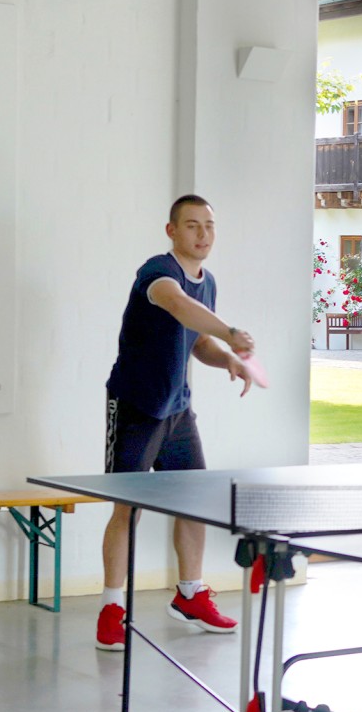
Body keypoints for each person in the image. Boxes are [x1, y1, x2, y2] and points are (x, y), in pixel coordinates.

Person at [96, 195, 256, 650]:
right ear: (172, 231)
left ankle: (190, 594)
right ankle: (111, 607)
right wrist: (231, 334)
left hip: (178, 411)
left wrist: (226, 357)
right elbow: (179, 307)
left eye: (209, 226)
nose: (202, 235)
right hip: (135, 407)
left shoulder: (209, 283)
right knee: (126, 508)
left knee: (194, 500)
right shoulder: (157, 272)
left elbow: (197, 339)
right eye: (192, 226)